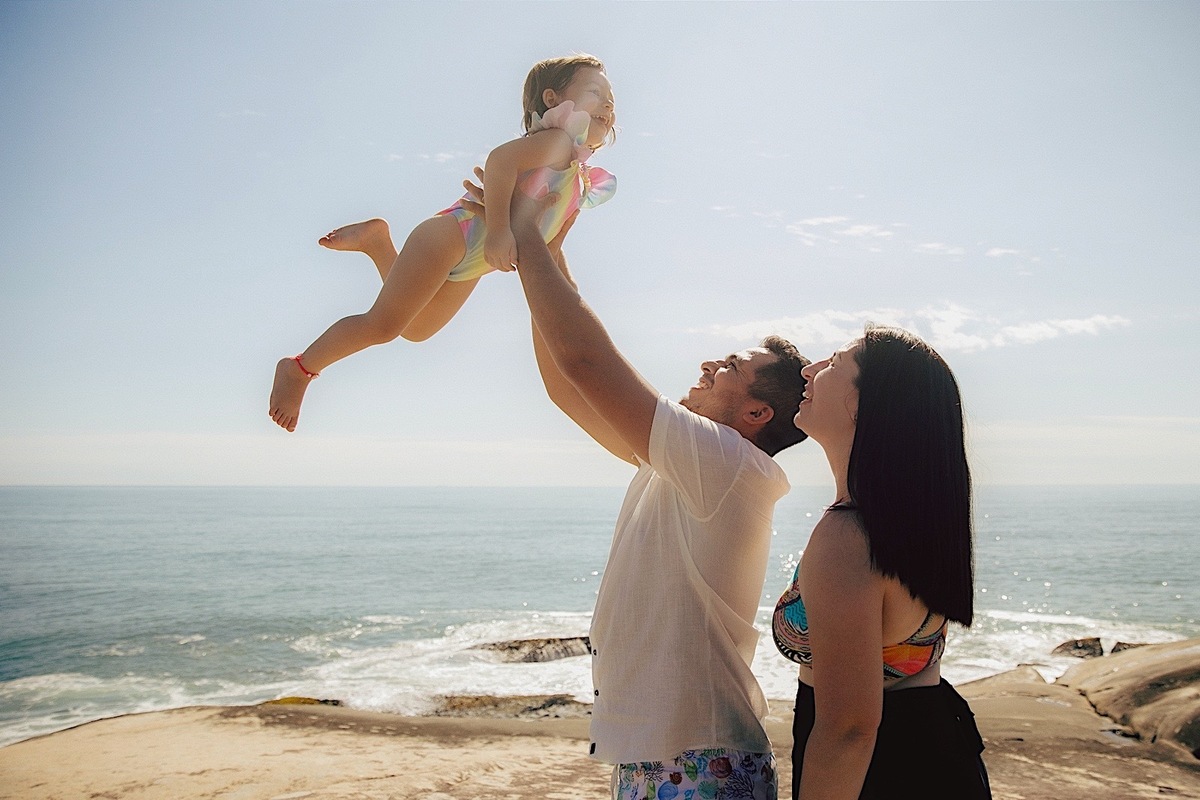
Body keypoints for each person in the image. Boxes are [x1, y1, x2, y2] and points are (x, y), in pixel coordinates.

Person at [469, 184, 811, 799]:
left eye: (731, 366)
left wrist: (524, 235)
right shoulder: (696, 463)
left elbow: (585, 364)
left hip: (702, 758)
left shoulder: (726, 462)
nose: (709, 364)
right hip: (669, 752)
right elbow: (570, 389)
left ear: (758, 413)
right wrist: (545, 249)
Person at [268, 53, 617, 432]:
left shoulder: (576, 173)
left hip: (474, 260)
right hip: (456, 234)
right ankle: (299, 368)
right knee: (383, 324)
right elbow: (500, 161)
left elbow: (545, 238)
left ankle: (378, 244)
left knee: (416, 329)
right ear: (552, 100)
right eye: (595, 91)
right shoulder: (558, 142)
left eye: (611, 97)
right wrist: (499, 230)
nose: (609, 103)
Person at [772, 327, 991, 799]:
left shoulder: (849, 537)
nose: (808, 370)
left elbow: (849, 730)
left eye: (832, 363)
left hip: (883, 774)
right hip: (936, 751)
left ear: (862, 403)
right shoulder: (913, 519)